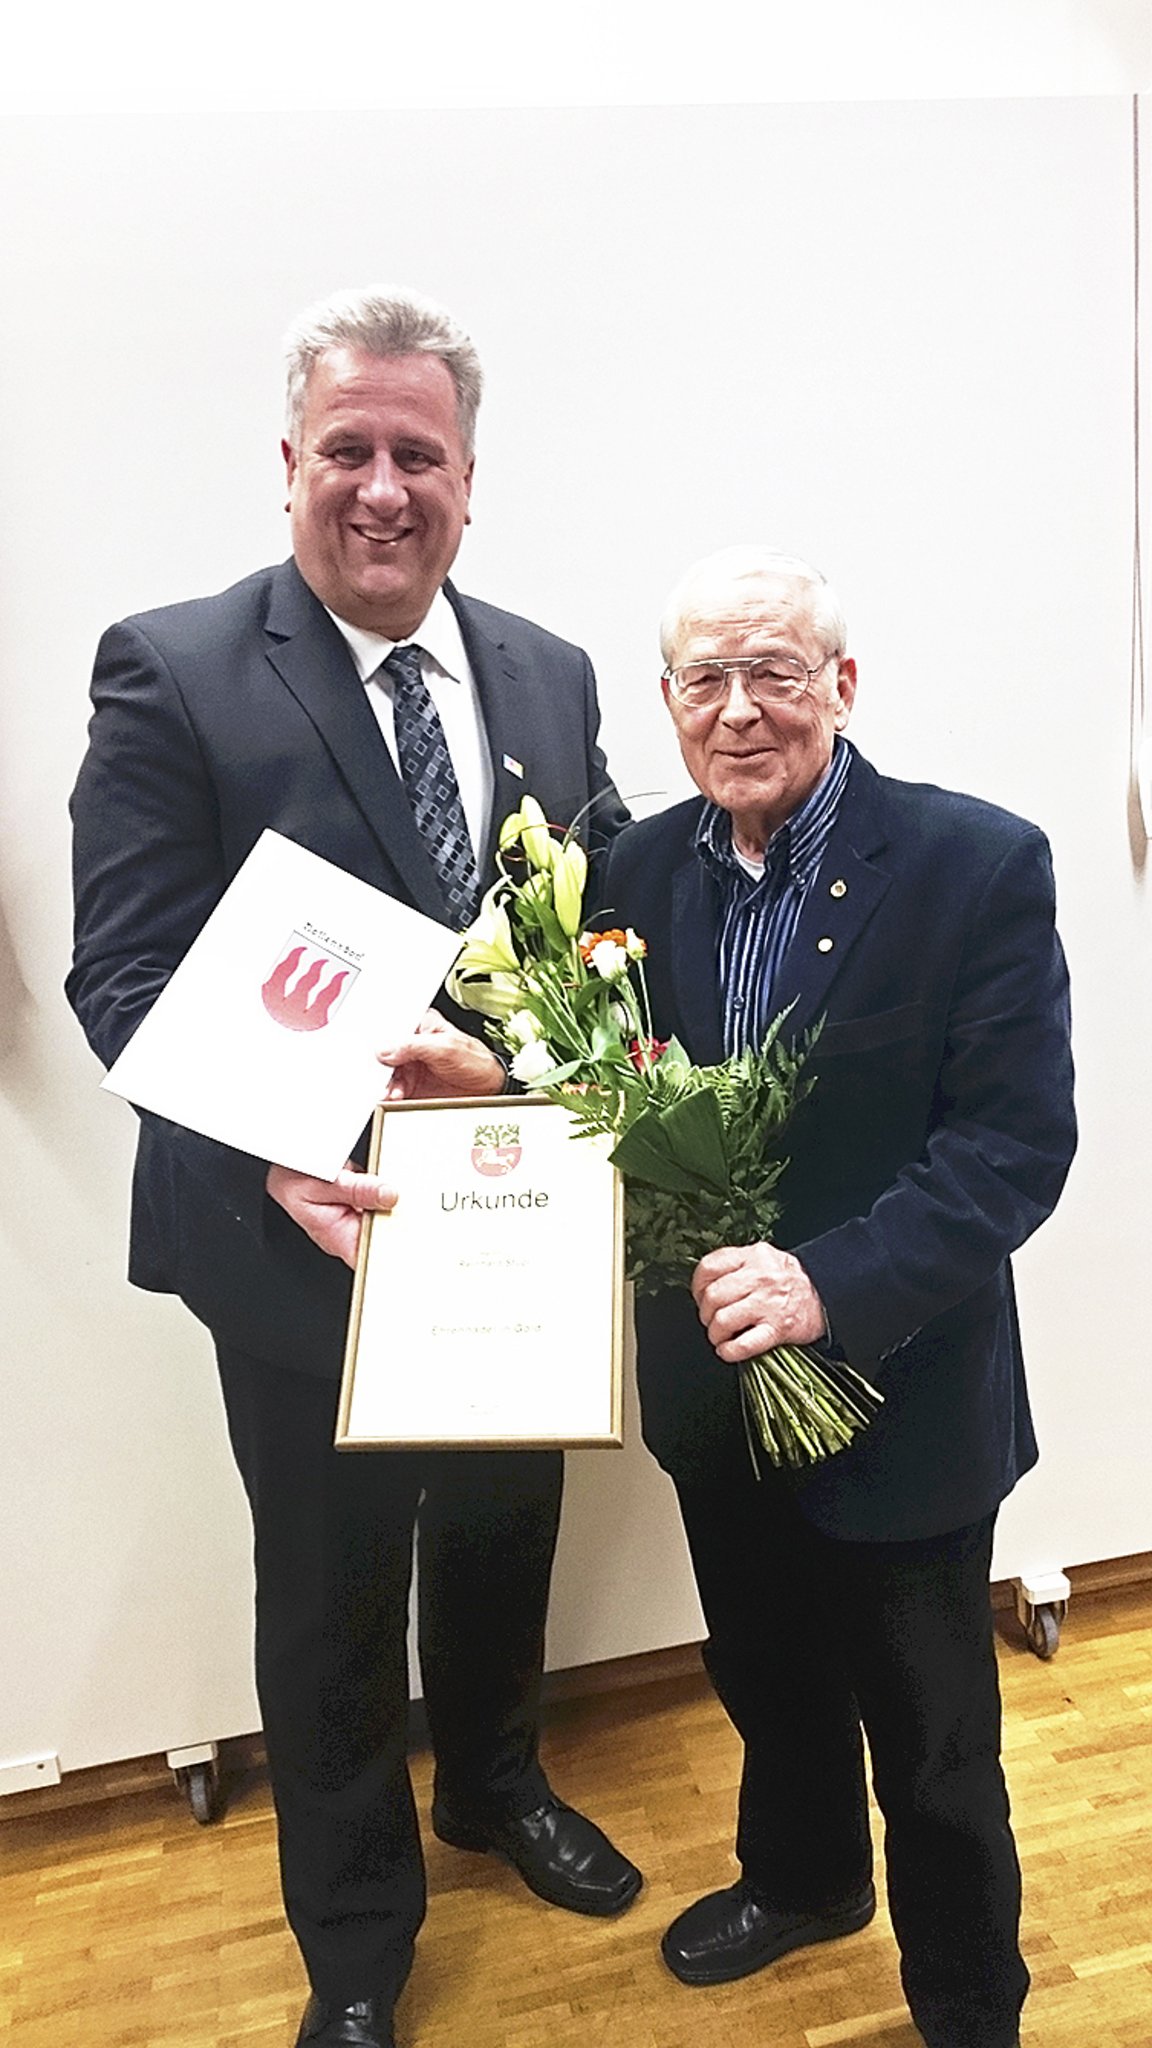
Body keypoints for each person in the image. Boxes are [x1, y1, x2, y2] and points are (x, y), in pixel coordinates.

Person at [67, 285, 638, 2048]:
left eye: (419, 455)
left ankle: (494, 1784)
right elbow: (124, 973)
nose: (383, 488)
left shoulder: (548, 671)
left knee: (503, 1533)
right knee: (329, 1592)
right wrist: (276, 1153)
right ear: (290, 463)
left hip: (503, 1223)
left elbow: (601, 908)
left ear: (470, 479)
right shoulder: (173, 666)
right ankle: (360, 1941)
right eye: (348, 450)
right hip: (292, 1232)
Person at [599, 546, 1076, 2048]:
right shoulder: (627, 879)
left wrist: (829, 1283)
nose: (739, 709)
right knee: (767, 1677)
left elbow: (1013, 1148)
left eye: (775, 673)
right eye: (706, 679)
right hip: (714, 1385)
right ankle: (804, 1880)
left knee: (935, 1746)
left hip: (901, 1393)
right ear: (669, 701)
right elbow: (607, 1089)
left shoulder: (974, 865)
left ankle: (967, 2005)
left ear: (843, 686)